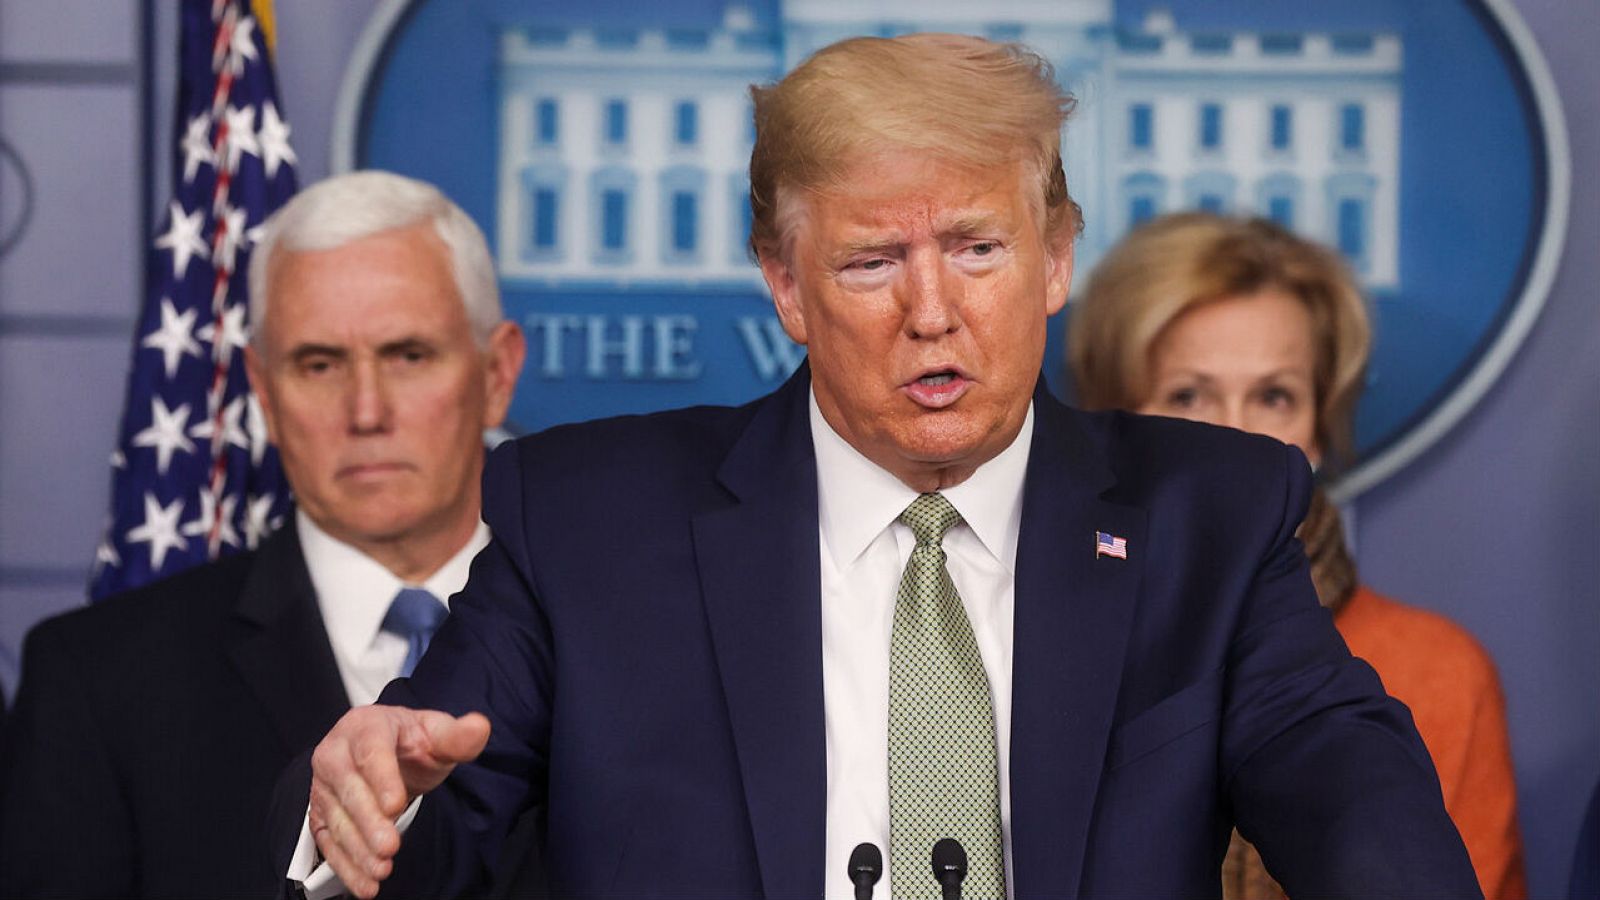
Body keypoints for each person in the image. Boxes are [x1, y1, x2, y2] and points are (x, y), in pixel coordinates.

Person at [282, 35, 1479, 899]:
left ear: (1056, 259)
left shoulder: (1206, 519)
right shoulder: (588, 522)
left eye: (976, 249)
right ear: (783, 283)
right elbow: (439, 827)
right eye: (868, 264)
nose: (931, 312)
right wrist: (370, 814)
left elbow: (1351, 794)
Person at [0, 171, 526, 897]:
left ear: (497, 372)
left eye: (408, 356)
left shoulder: (616, 643)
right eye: (320, 363)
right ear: (265, 393)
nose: (366, 410)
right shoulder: (99, 684)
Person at [1070, 211, 1525, 899]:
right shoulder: (1043, 638)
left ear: (1319, 426)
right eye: (1188, 395)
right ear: (1114, 422)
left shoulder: (1439, 672)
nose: (1234, 435)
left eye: (1273, 396)